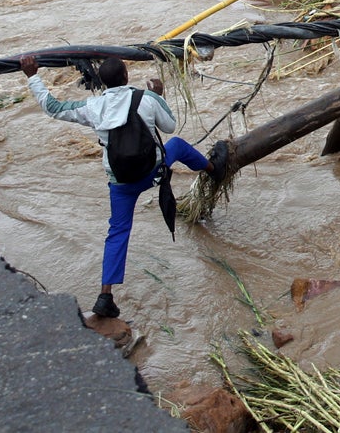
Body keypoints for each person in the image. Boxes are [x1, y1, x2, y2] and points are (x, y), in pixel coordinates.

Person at [20, 54, 212, 319]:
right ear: (126, 77)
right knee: (177, 145)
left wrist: (32, 76)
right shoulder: (147, 98)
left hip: (121, 183)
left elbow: (53, 107)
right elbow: (169, 126)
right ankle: (214, 169)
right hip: (151, 171)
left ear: (102, 82)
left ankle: (105, 295)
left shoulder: (93, 107)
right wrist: (160, 94)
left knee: (118, 232)